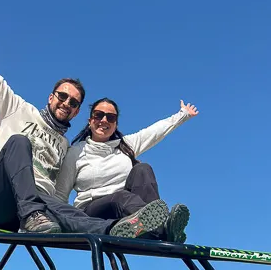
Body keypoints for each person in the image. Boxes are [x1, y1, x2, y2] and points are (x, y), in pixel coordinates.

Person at [0, 0, 169, 239]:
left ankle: (117, 230)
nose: (66, 103)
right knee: (19, 142)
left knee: (72, 213)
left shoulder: (65, 146)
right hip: (1, 200)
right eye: (62, 97)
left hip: (42, 206)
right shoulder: (17, 110)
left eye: (73, 102)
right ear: (51, 97)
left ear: (76, 112)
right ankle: (32, 213)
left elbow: (61, 193)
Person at [54, 97, 198, 242]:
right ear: (90, 120)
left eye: (110, 117)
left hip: (127, 212)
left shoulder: (125, 146)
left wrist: (183, 114)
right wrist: (56, 223)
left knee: (143, 168)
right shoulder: (76, 152)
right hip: (92, 212)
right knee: (120, 198)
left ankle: (156, 227)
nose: (104, 120)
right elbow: (61, 193)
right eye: (98, 115)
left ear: (115, 124)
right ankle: (164, 228)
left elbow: (154, 132)